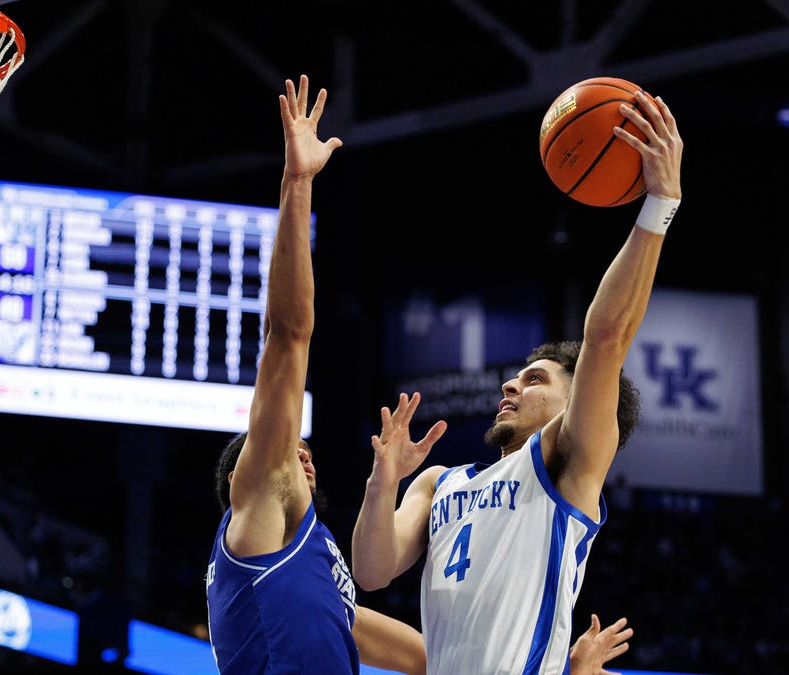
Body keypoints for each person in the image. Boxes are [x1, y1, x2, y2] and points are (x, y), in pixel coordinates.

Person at [205, 74, 639, 675]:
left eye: (299, 448)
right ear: (245, 479)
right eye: (284, 449)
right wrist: (297, 184)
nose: (299, 453)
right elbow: (287, 333)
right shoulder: (262, 497)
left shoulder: (314, 566)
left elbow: (432, 660)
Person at [350, 87, 683, 674]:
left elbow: (605, 338)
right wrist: (383, 482)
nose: (509, 387)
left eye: (534, 379)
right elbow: (373, 571)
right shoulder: (436, 483)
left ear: (575, 401)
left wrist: (660, 202)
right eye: (514, 378)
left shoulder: (564, 465)